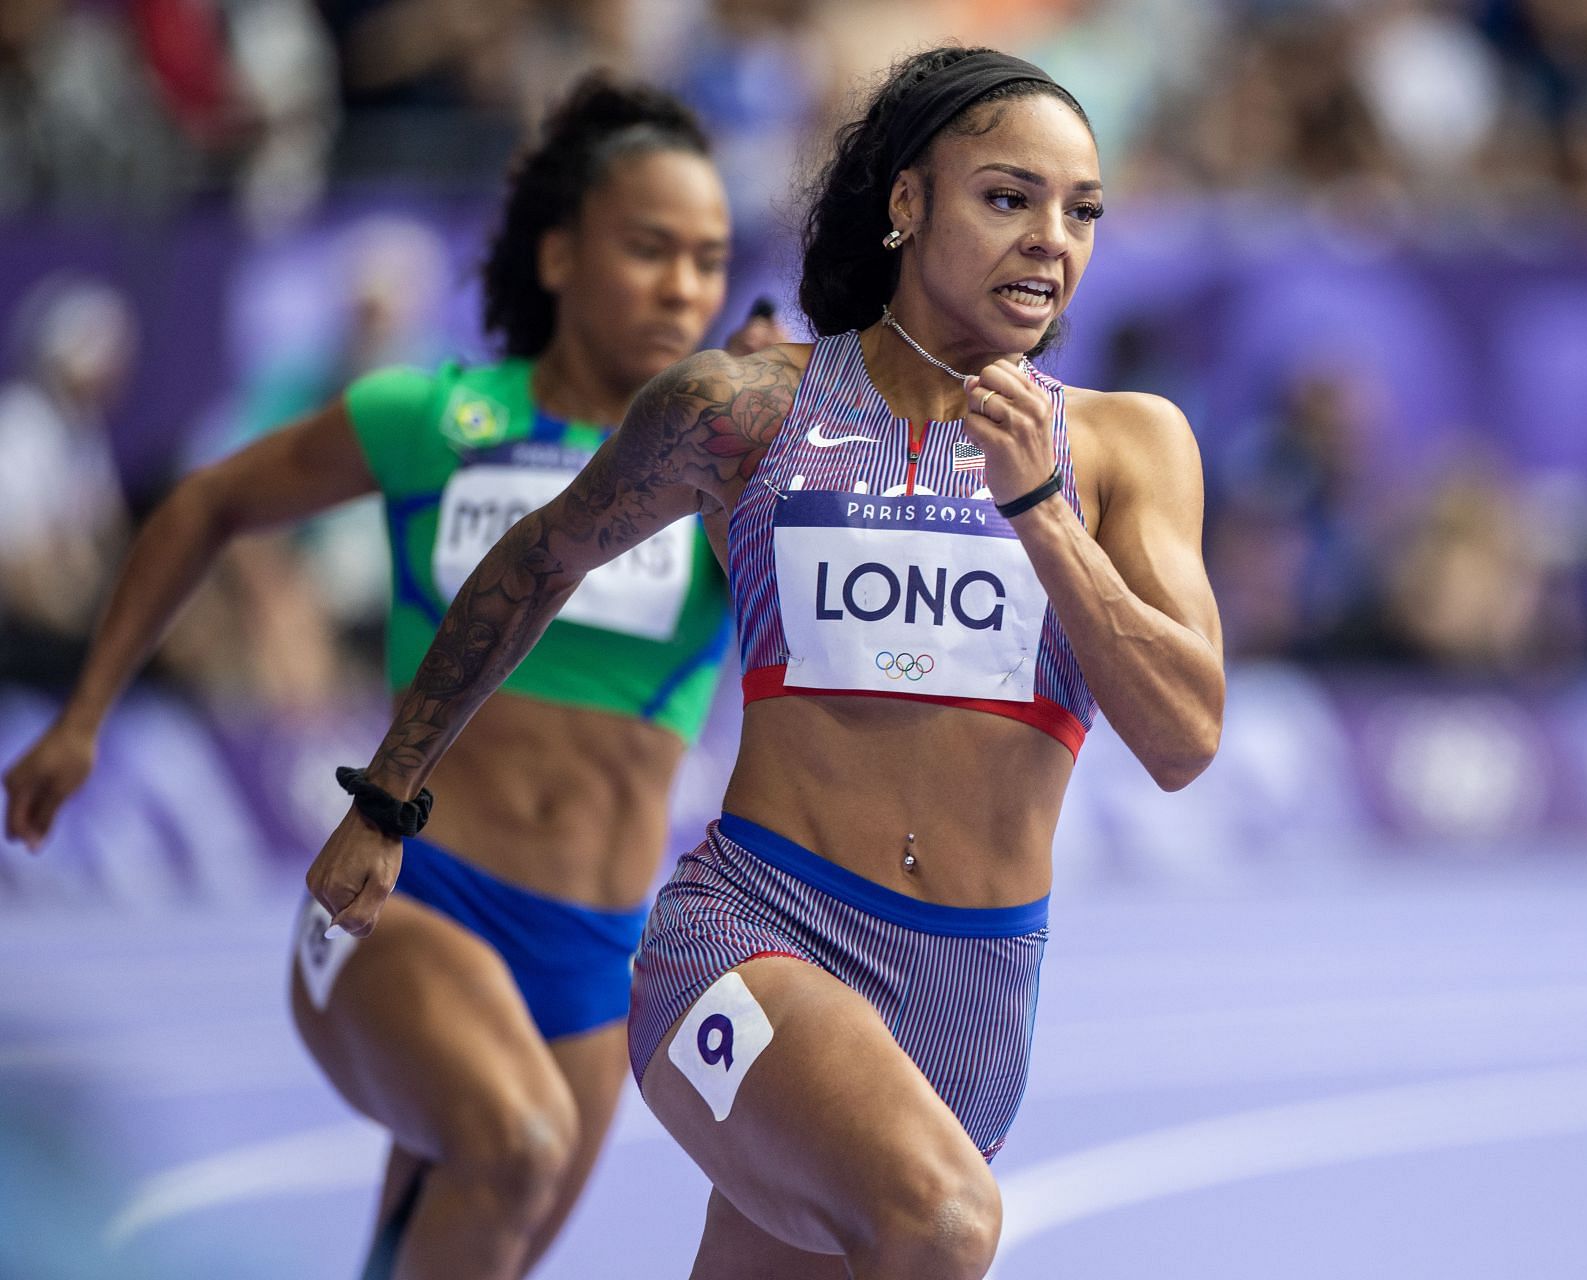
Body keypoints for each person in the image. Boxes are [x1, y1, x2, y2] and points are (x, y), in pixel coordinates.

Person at [303, 46, 1223, 1279]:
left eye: (1083, 210)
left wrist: (1046, 513)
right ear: (908, 203)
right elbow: (540, 557)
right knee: (942, 1223)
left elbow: (1183, 738)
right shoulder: (746, 412)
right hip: (744, 941)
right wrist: (387, 792)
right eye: (1010, 197)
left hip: (978, 995)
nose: (1051, 239)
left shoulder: (1126, 445)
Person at [3, 76, 780, 1279]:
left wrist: (759, 437)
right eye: (649, 248)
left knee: (455, 1247)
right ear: (561, 253)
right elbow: (209, 502)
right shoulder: (441, 415)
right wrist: (86, 715)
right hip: (405, 895)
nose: (685, 285)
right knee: (514, 1147)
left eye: (710, 257)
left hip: (591, 950)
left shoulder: (721, 468)